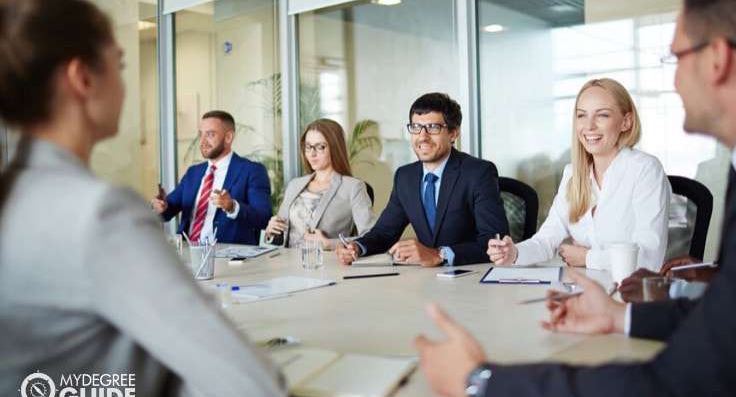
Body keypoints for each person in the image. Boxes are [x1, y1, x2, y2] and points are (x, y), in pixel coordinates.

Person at [415, 0, 736, 397]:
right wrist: (618, 316)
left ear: (719, 58)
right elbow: (735, 323)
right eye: (581, 115)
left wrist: (482, 380)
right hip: (601, 302)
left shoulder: (682, 172)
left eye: (676, 56)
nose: (674, 77)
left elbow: (678, 391)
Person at [0, 0, 286, 397]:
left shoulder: (15, 194)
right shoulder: (99, 214)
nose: (125, 84)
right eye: (119, 65)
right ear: (82, 78)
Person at [487, 78, 670, 272]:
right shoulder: (573, 174)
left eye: (602, 115)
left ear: (626, 122)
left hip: (628, 293)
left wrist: (587, 257)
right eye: (582, 115)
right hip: (584, 289)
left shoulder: (645, 170)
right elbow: (546, 240)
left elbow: (648, 258)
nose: (589, 125)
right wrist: (513, 253)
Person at [336, 92, 508, 266]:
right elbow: (385, 232)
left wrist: (439, 254)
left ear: (453, 133)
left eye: (433, 127)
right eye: (416, 127)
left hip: (471, 279)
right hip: (426, 278)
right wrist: (356, 247)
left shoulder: (478, 173)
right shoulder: (406, 177)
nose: (422, 136)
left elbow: (494, 241)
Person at [151, 110, 271, 245]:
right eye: (200, 135)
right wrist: (158, 206)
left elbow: (264, 217)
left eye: (210, 134)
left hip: (228, 256)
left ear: (228, 137)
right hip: (187, 252)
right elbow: (168, 210)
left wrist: (232, 207)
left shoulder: (251, 170)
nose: (202, 141)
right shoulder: (193, 172)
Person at [264, 118, 376, 250]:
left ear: (335, 148)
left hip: (326, 267)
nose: (312, 153)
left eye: (320, 147)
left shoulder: (353, 187)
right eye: (308, 146)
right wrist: (270, 232)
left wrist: (329, 244)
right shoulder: (294, 185)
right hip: (287, 265)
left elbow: (373, 237)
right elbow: (281, 237)